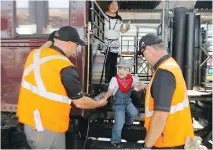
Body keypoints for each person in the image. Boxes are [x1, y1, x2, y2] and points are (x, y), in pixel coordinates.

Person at [16, 26, 108, 149]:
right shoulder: (65, 66)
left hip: (30, 122)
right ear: (70, 43)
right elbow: (80, 102)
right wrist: (99, 104)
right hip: (49, 127)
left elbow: (44, 47)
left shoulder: (35, 55)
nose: (75, 50)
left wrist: (52, 39)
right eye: (76, 45)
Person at [137, 33, 194, 149]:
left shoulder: (163, 72)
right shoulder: (171, 65)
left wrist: (147, 146)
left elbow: (160, 116)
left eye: (143, 55)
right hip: (177, 138)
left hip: (168, 142)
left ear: (148, 49)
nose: (144, 58)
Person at [99, 58, 144, 148]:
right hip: (118, 104)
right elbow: (110, 91)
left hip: (127, 101)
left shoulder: (132, 79)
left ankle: (127, 123)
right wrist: (104, 98)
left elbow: (138, 87)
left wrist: (141, 85)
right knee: (119, 123)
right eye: (120, 68)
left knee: (134, 113)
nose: (121, 71)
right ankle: (115, 141)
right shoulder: (114, 80)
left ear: (129, 71)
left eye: (125, 69)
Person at [104, 0, 130, 83]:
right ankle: (104, 81)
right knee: (104, 63)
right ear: (108, 5)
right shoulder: (103, 15)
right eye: (112, 4)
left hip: (115, 44)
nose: (114, 6)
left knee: (113, 64)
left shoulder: (119, 18)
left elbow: (122, 30)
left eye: (116, 5)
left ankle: (111, 82)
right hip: (104, 43)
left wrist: (127, 29)